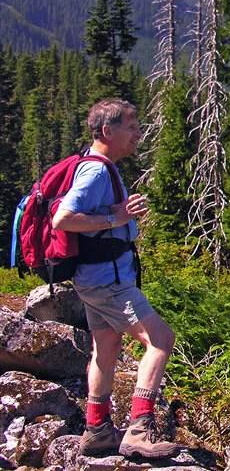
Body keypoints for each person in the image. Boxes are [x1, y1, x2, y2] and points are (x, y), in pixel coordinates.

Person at [52, 98, 179, 459]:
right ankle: (138, 430)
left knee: (105, 348)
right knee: (160, 340)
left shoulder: (100, 167)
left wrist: (116, 214)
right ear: (108, 131)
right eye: (132, 127)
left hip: (93, 279)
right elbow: (63, 218)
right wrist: (115, 220)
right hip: (108, 281)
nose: (138, 134)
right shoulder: (95, 172)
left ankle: (98, 430)